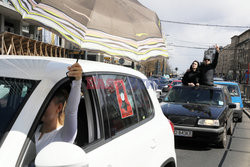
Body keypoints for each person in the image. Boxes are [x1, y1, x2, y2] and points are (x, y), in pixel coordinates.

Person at [35, 62, 82, 154]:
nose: (40, 107)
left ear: (59, 107)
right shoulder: (32, 127)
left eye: (46, 104)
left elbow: (71, 111)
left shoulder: (64, 137)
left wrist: (77, 81)